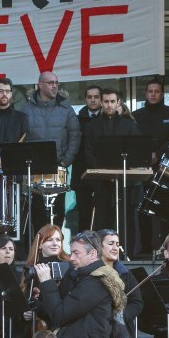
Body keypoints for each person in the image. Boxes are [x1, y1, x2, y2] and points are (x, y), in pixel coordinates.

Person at [34, 230, 123, 338]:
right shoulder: (84, 278)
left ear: (93, 254)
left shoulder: (96, 282)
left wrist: (46, 281)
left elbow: (60, 315)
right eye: (71, 252)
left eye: (77, 253)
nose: (71, 258)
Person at [22, 71, 81, 229]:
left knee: (58, 212)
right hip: (35, 168)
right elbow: (21, 137)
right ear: (40, 85)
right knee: (37, 212)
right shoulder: (26, 109)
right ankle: (38, 249)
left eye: (56, 83)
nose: (55, 86)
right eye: (50, 83)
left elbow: (75, 136)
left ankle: (57, 250)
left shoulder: (66, 109)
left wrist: (66, 160)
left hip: (58, 166)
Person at [83, 88, 141, 237]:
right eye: (106, 101)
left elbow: (136, 150)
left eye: (112, 101)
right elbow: (88, 152)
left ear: (118, 103)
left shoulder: (128, 125)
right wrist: (103, 172)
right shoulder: (91, 126)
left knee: (124, 216)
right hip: (100, 180)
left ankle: (127, 253)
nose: (109, 105)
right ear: (101, 103)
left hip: (123, 179)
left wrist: (122, 170)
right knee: (101, 215)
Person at [133, 78, 169, 251]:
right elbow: (135, 140)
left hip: (167, 168)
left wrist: (159, 154)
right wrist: (147, 155)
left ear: (162, 94)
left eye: (157, 91)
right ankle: (145, 248)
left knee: (166, 210)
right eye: (150, 91)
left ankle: (165, 247)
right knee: (144, 209)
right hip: (143, 168)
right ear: (145, 94)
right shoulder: (136, 115)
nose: (153, 94)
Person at [94, 228, 144, 338]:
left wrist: (121, 315)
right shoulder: (91, 273)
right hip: (97, 334)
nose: (115, 247)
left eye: (117, 244)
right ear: (98, 246)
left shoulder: (126, 274)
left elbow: (137, 302)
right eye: (111, 243)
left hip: (122, 334)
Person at [22, 224, 71, 331]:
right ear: (40, 245)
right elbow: (26, 298)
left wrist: (37, 308)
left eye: (58, 240)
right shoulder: (32, 268)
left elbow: (65, 305)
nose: (55, 243)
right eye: (49, 240)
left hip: (57, 329)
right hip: (35, 329)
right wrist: (26, 313)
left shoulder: (67, 267)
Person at [71, 85, 102, 231]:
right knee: (84, 213)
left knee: (103, 213)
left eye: (96, 97)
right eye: (90, 97)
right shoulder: (76, 120)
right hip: (81, 172)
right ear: (85, 99)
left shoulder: (107, 119)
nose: (93, 100)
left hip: (103, 173)